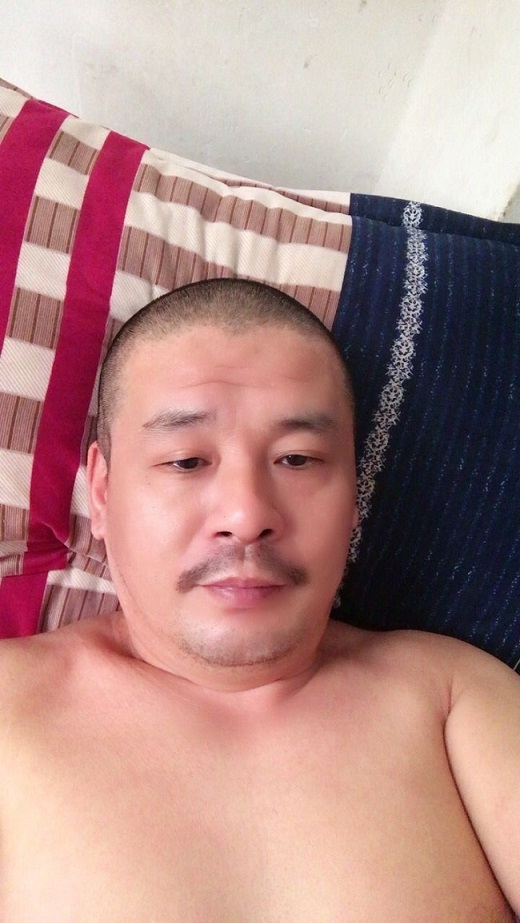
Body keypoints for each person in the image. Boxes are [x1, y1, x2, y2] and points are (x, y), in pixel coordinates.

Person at [0, 278, 519, 922]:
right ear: (102, 493)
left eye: (297, 459)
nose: (247, 517)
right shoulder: (10, 706)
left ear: (354, 493)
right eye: (186, 461)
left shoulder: (452, 699)